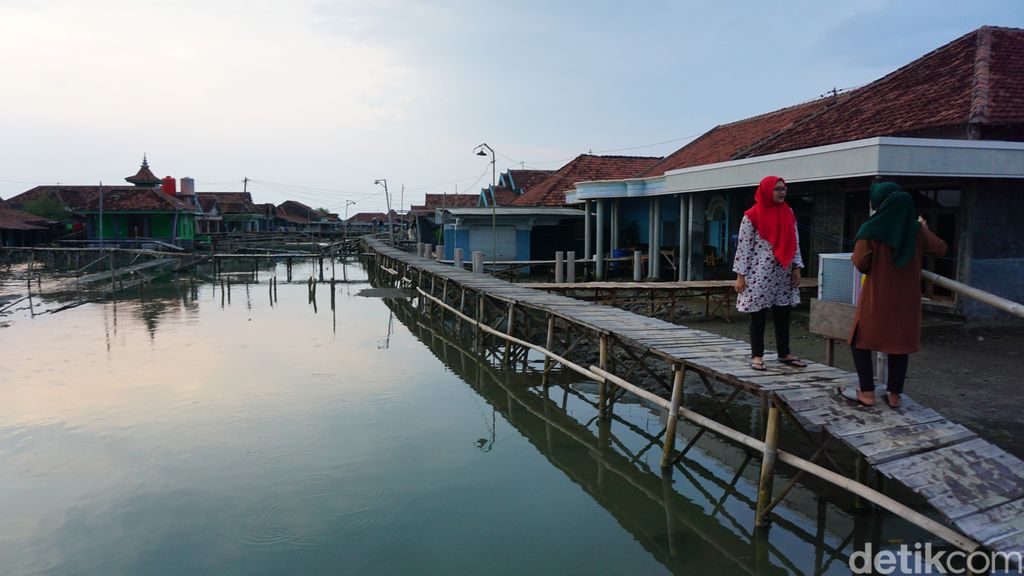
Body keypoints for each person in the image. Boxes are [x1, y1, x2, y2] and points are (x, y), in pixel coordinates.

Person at [842, 182, 947, 408]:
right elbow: (941, 249)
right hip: (907, 300)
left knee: (860, 342)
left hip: (877, 298)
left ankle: (867, 393)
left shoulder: (871, 229)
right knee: (899, 345)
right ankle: (894, 396)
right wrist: (924, 228)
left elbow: (860, 263)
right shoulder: (916, 231)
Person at [733, 175, 807, 371]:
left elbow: (795, 241)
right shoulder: (751, 216)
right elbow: (744, 247)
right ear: (767, 191)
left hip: (783, 271)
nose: (782, 192)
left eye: (784, 188)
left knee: (783, 312)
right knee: (758, 314)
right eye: (777, 189)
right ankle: (757, 356)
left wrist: (797, 268)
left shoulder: (788, 212)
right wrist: (741, 276)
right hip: (759, 272)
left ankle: (784, 353)